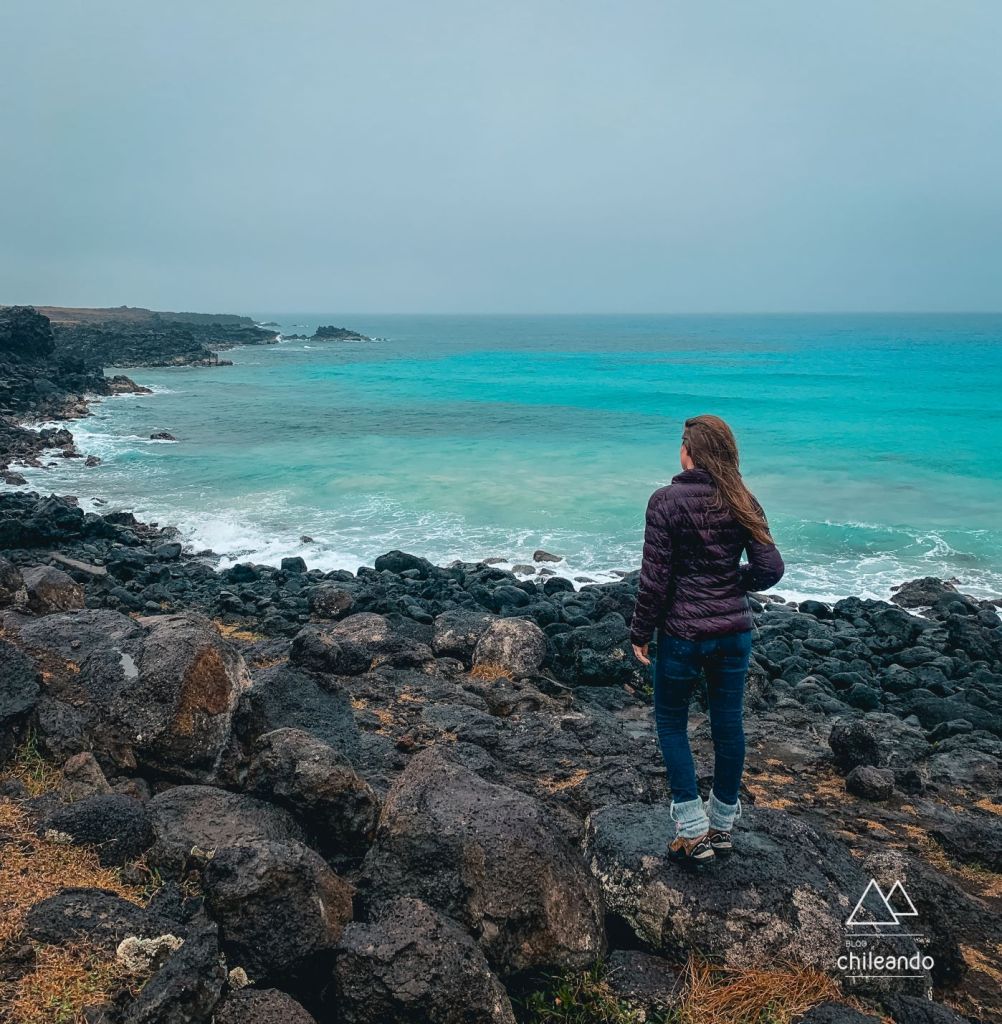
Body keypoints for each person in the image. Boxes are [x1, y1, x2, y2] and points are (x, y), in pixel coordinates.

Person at [630, 414, 784, 867]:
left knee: (672, 723)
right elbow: (771, 569)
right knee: (728, 725)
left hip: (682, 634)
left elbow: (654, 581)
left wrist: (640, 632)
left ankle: (692, 832)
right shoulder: (742, 499)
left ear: (690, 451)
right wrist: (732, 582)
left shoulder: (665, 501)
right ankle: (721, 827)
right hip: (734, 633)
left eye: (682, 443)